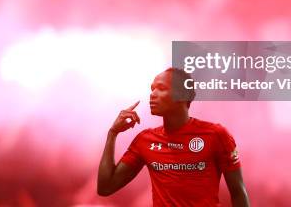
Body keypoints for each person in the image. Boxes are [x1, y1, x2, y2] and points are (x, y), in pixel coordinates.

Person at [97, 67, 250, 206]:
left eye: (161, 88)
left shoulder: (216, 135)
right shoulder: (145, 140)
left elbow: (238, 192)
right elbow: (105, 187)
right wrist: (112, 133)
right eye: (152, 89)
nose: (152, 94)